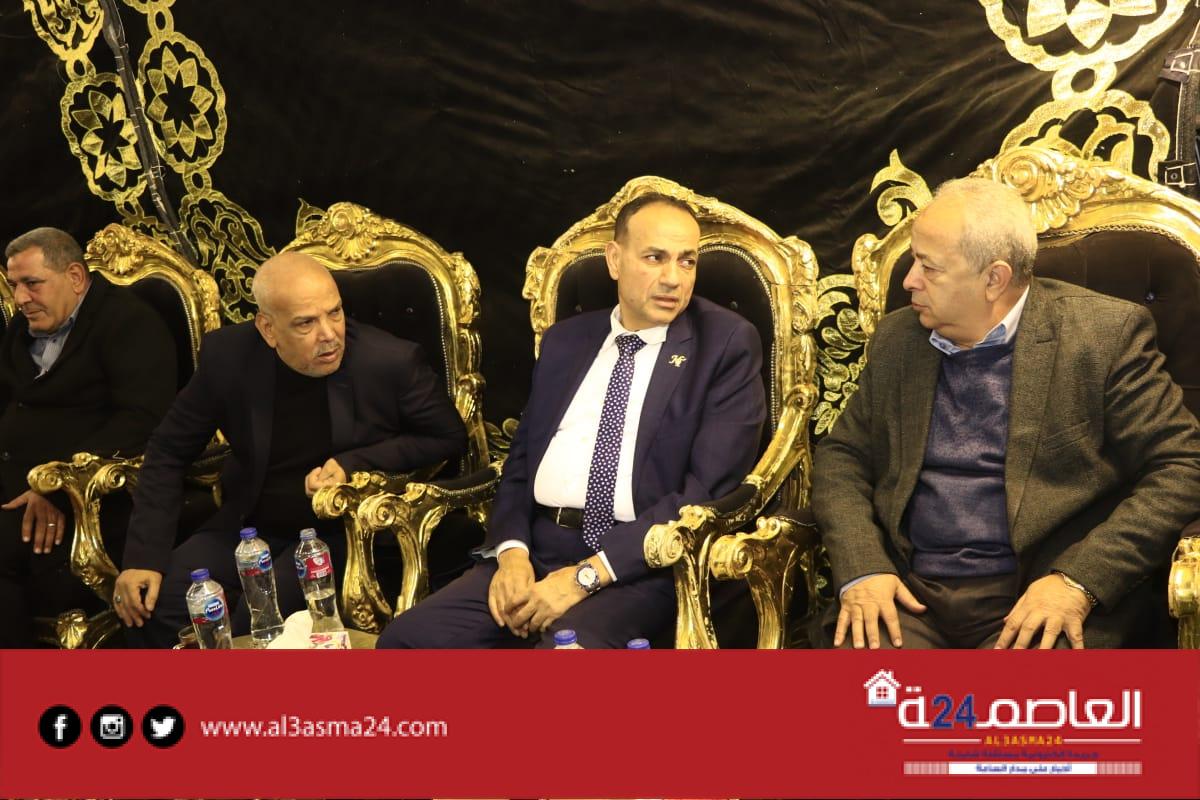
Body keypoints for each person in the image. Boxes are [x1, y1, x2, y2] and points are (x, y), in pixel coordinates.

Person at [812, 177, 1200, 650]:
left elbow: (1182, 467)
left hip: (1038, 591)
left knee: (1014, 700)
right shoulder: (899, 338)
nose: (909, 280)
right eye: (914, 260)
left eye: (929, 267)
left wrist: (1079, 579)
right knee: (861, 693)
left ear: (994, 279)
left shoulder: (1102, 337)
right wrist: (863, 567)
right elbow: (843, 457)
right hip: (908, 593)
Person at [377, 193, 766, 649]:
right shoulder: (566, 341)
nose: (673, 278)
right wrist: (511, 554)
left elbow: (706, 490)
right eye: (654, 258)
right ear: (614, 260)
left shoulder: (724, 344)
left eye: (687, 261)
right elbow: (521, 462)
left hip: (642, 564)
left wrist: (585, 576)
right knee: (406, 642)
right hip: (539, 549)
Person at [114, 251, 468, 647]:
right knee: (155, 603)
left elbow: (447, 436)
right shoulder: (229, 357)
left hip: (342, 535)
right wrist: (143, 558)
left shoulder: (388, 361)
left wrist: (353, 464)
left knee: (258, 621)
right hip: (251, 526)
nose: (329, 334)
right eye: (306, 323)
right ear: (268, 329)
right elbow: (168, 450)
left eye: (334, 313)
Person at [0, 227, 176, 646]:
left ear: (76, 277)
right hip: (15, 490)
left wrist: (56, 483)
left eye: (32, 283)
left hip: (91, 498)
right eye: (14, 285)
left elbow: (144, 420)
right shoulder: (20, 330)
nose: (20, 298)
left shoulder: (128, 323)